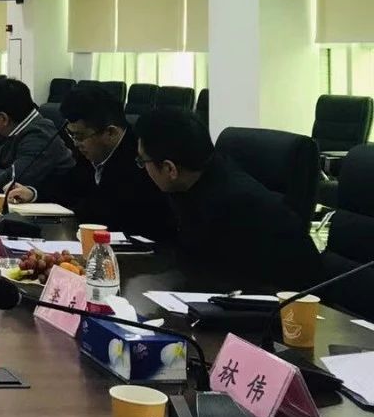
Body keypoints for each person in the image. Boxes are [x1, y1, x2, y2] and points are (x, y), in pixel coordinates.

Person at [134, 109, 322, 290]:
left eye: (143, 161)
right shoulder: (194, 181)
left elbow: (219, 277)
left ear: (170, 169)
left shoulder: (233, 206)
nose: (143, 169)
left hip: (286, 302)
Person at [56, 85, 177, 241]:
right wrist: (33, 193)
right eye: (71, 135)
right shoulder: (94, 152)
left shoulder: (140, 158)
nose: (75, 143)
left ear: (110, 132)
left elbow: (107, 212)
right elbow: (68, 186)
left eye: (79, 136)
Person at [0, 78, 75, 202]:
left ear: (3, 118)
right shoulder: (21, 127)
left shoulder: (38, 134)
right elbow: (0, 156)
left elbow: (14, 180)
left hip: (59, 206)